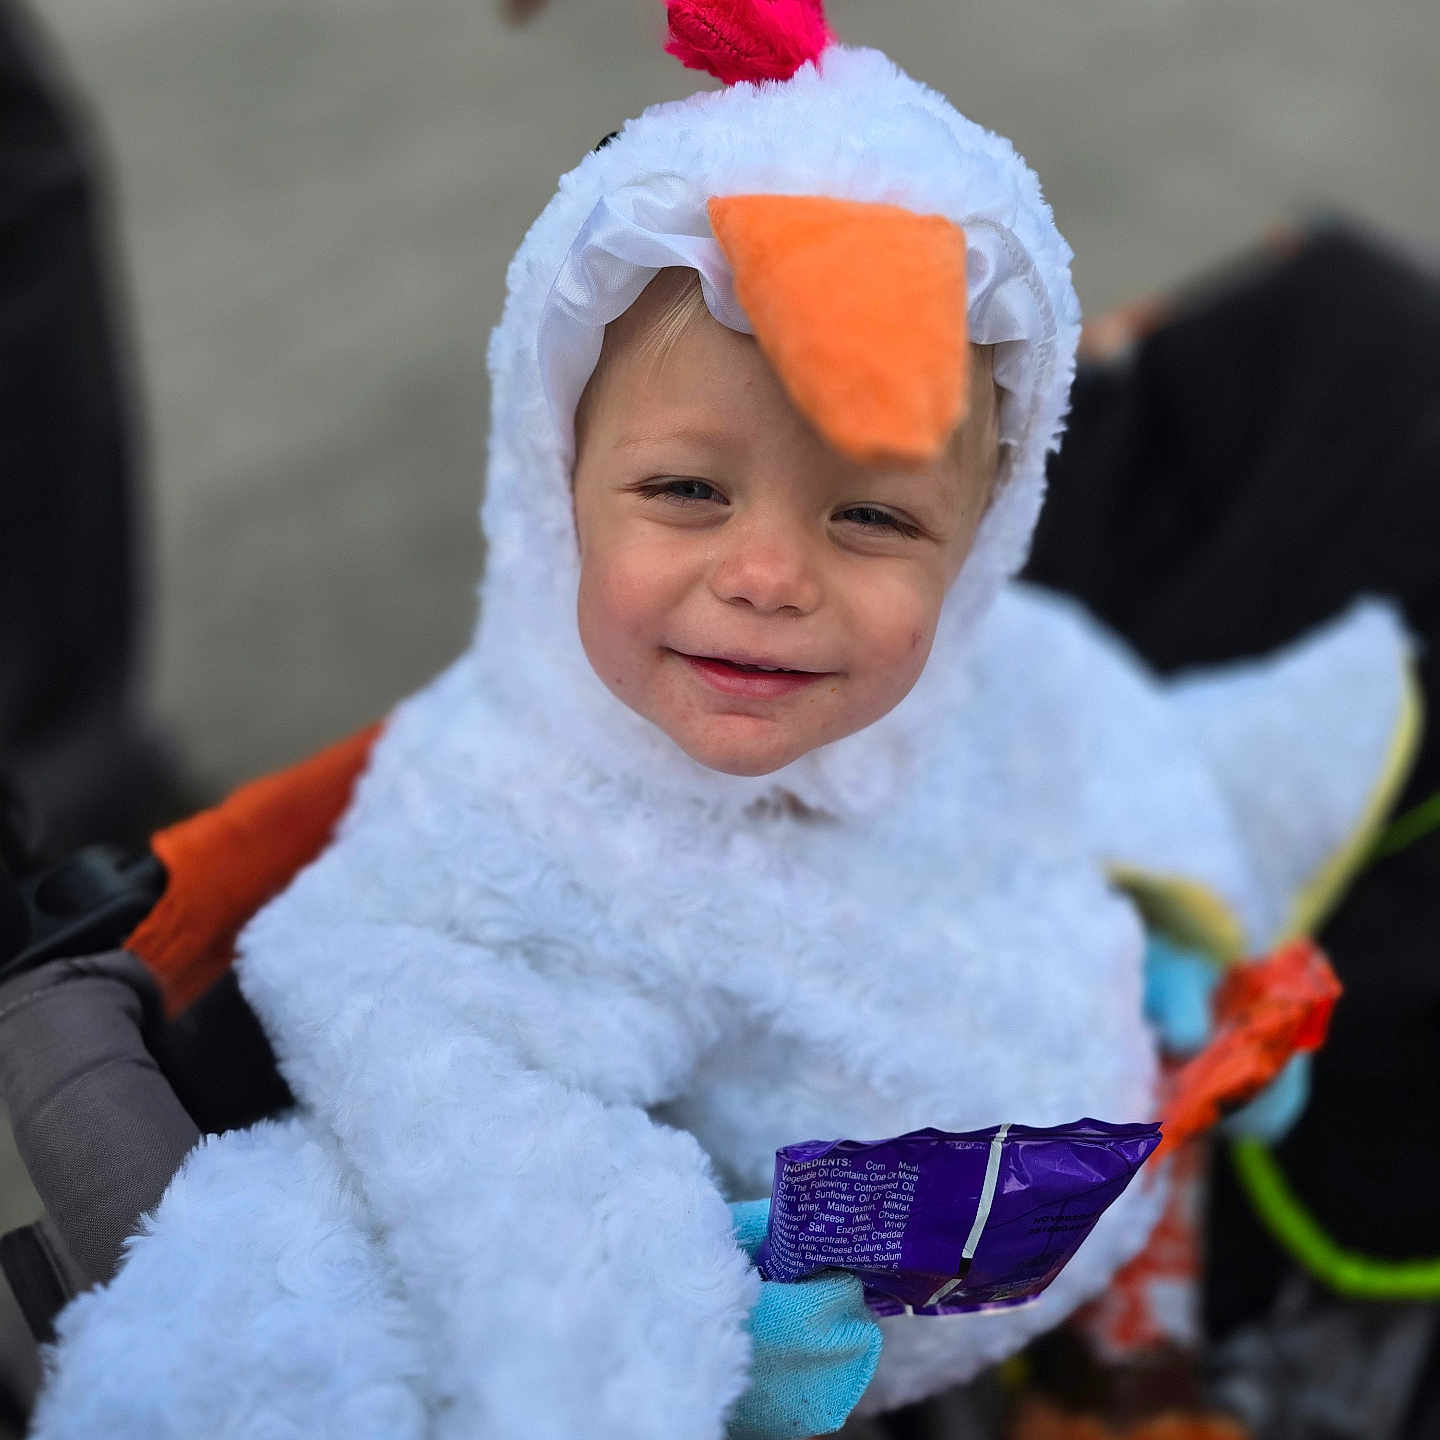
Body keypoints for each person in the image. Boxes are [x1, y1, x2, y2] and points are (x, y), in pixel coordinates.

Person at [21, 3, 1417, 1436]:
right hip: (820, 1351)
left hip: (1111, 1198)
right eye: (688, 492)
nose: (764, 578)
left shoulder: (1000, 673)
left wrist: (1199, 958)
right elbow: (479, 1128)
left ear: (979, 543)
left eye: (871, 516)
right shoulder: (512, 831)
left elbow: (1134, 768)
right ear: (555, 485)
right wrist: (681, 1319)